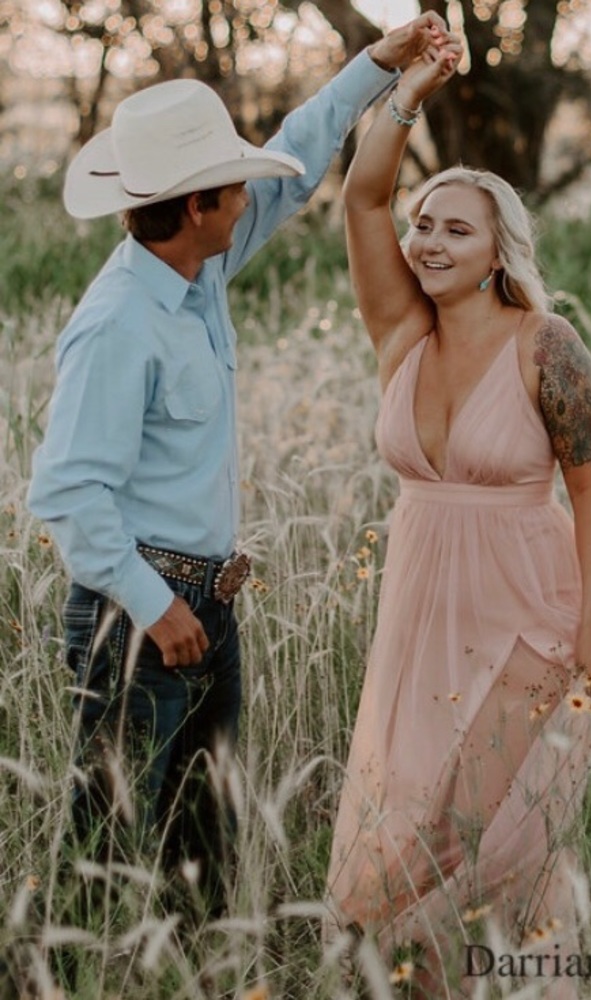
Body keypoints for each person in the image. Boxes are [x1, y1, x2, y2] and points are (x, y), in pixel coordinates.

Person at [27, 11, 449, 935]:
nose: (251, 195)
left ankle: (198, 979)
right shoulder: (119, 323)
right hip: (138, 617)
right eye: (232, 186)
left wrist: (379, 64)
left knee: (203, 847)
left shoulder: (197, 272)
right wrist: (156, 605)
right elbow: (66, 489)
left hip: (207, 604)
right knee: (103, 850)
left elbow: (297, 155)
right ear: (195, 207)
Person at [323, 41, 591, 998]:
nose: (428, 242)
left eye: (456, 231)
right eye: (424, 225)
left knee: (483, 837)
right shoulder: (401, 335)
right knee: (405, 831)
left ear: (498, 252)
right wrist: (409, 94)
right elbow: (362, 201)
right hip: (420, 619)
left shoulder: (548, 346)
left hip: (525, 617)